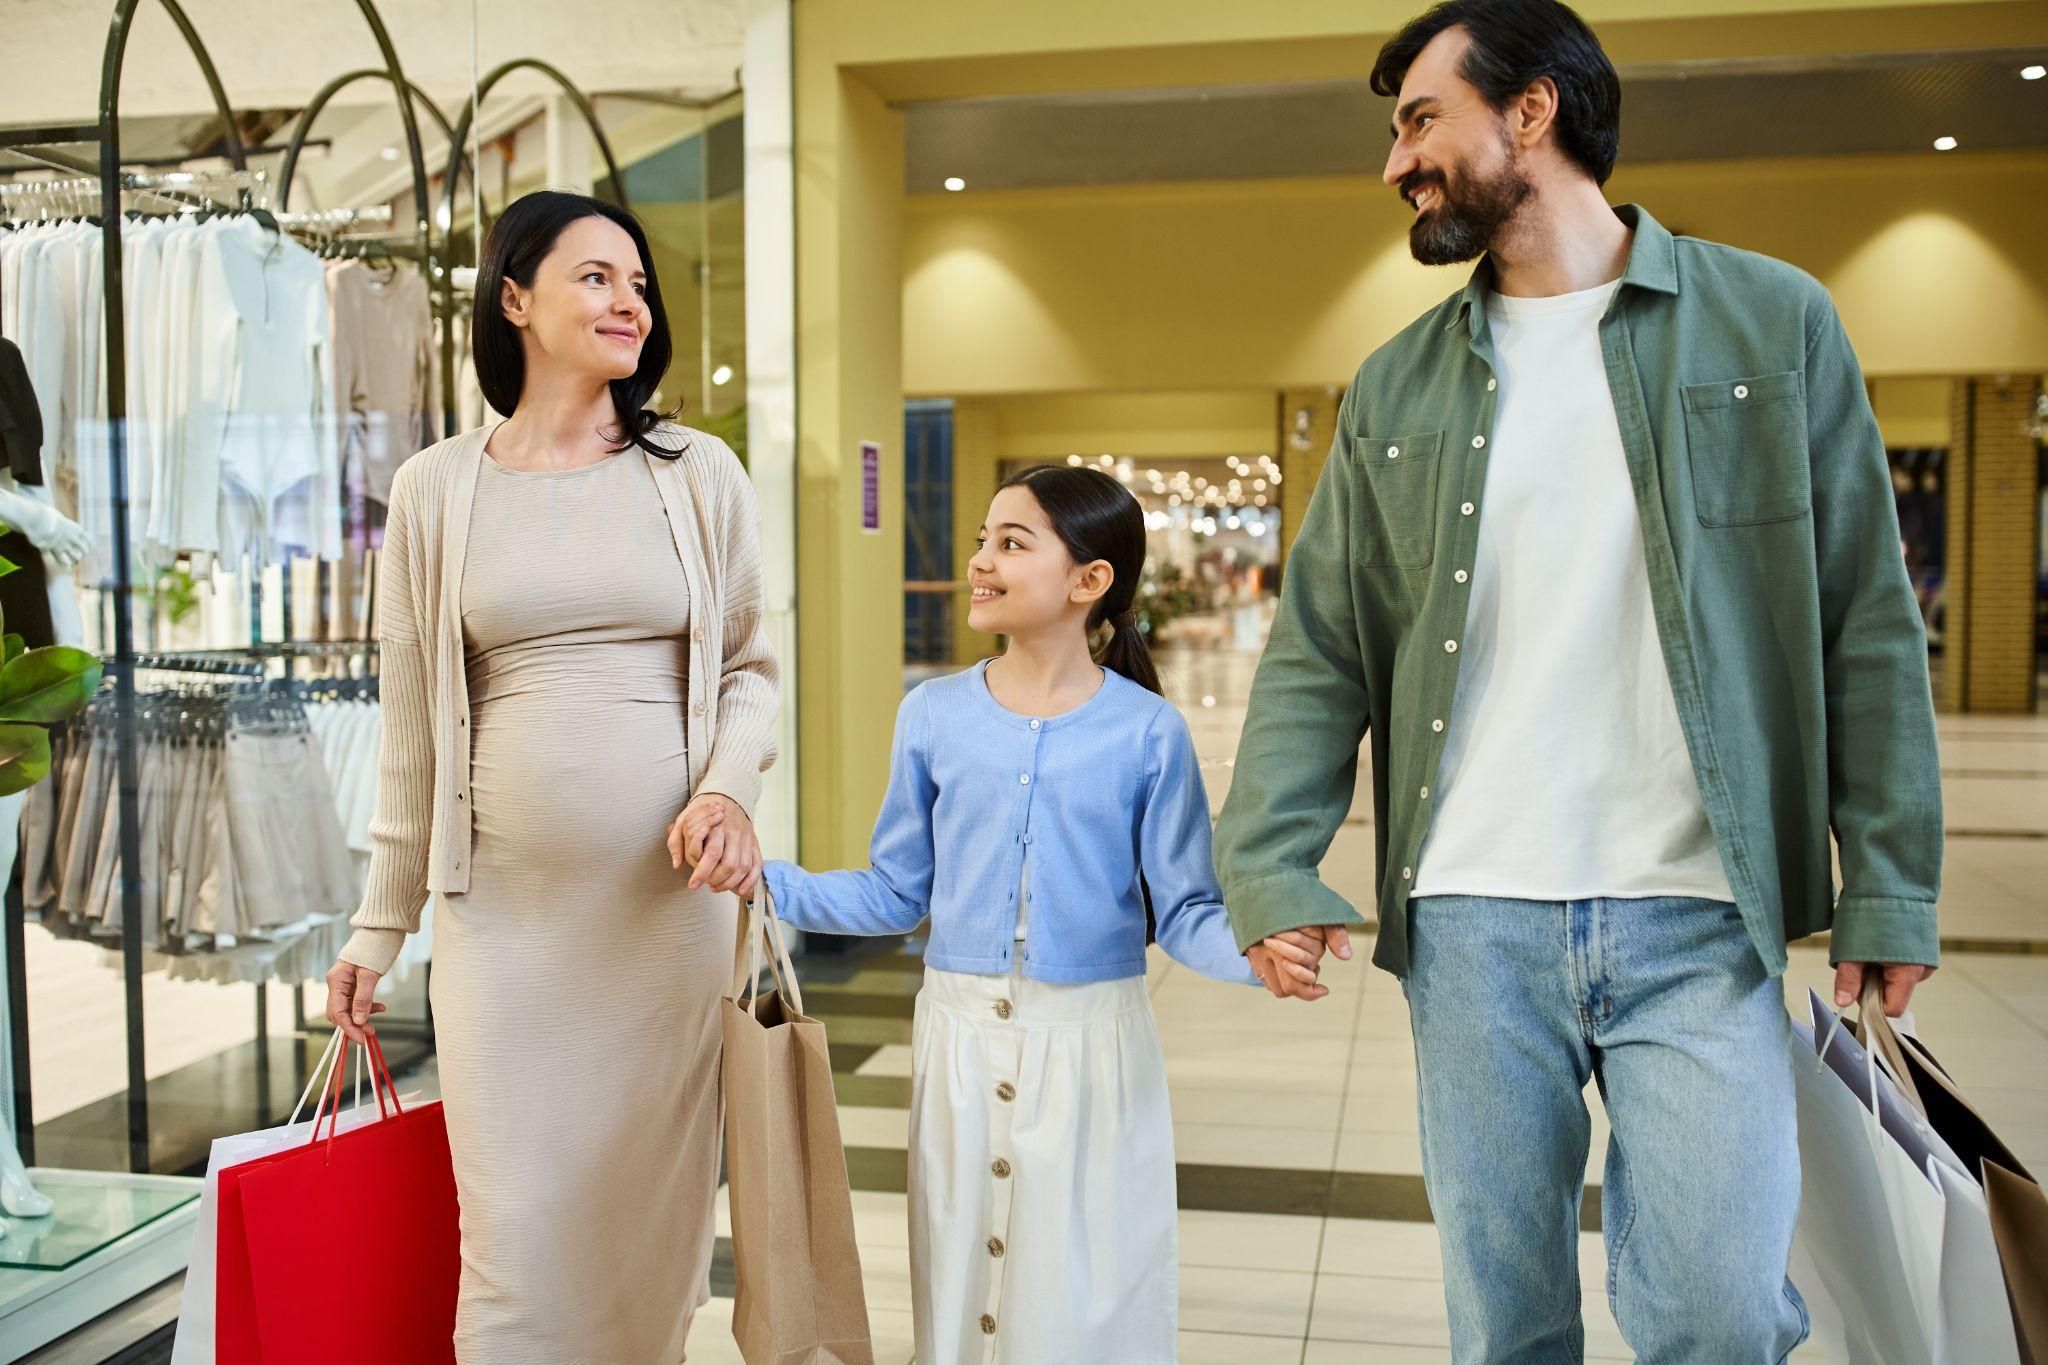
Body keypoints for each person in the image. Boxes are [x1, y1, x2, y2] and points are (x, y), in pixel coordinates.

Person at [1215, 2, 1941, 1360]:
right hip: (1476, 918)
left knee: (1719, 1313)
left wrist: (1889, 879)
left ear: (1531, 112)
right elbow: (1321, 645)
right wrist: (1269, 860)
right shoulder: (1398, 386)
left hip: (1703, 916)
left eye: (1420, 119)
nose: (1395, 164)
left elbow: (1866, 620)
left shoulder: (1770, 326)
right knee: (1508, 1323)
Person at [321, 190, 779, 1361]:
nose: (627, 301)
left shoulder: (696, 474)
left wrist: (726, 789)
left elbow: (750, 670)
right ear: (513, 298)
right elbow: (413, 729)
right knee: (514, 1240)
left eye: (637, 283)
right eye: (594, 277)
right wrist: (380, 928)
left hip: (660, 924)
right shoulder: (434, 488)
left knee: (646, 1239)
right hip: (505, 931)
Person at [750, 464, 1262, 1363]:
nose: (980, 560)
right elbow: (896, 893)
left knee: (1084, 1296)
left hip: (1094, 1046)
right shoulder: (933, 715)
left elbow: (1183, 909)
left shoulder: (1148, 733)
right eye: (982, 540)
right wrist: (765, 880)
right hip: (954, 1038)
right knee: (956, 1282)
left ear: (1089, 580)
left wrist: (1263, 955)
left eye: (1011, 543)